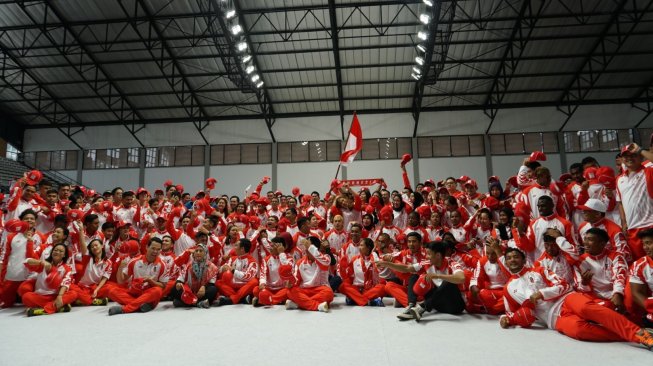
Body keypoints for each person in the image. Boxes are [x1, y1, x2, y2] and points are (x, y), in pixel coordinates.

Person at [499, 247, 653, 349]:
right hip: (553, 318)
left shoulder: (539, 270)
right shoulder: (508, 289)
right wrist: (506, 320)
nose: (512, 260)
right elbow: (510, 312)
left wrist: (543, 293)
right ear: (506, 262)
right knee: (579, 331)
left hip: (566, 299)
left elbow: (565, 285)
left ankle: (641, 335)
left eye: (516, 257)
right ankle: (634, 335)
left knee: (588, 309)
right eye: (509, 258)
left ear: (523, 259)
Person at [405, 241, 466, 322]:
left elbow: (461, 278)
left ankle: (422, 307)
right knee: (414, 276)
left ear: (438, 255)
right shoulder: (427, 263)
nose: (427, 256)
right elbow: (407, 268)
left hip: (454, 306)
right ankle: (411, 305)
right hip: (438, 303)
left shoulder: (452, 263)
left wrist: (437, 276)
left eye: (429, 254)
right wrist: (386, 263)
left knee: (447, 282)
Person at [107, 237, 168, 315]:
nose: (155, 251)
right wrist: (120, 268)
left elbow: (163, 286)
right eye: (153, 248)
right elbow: (121, 281)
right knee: (111, 292)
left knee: (158, 291)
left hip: (149, 295)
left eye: (158, 249)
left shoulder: (163, 265)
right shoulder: (134, 261)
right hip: (135, 293)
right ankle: (141, 305)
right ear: (147, 247)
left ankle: (125, 309)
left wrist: (151, 281)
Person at [616, 143, 653, 259]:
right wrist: (623, 222)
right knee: (641, 263)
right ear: (622, 159)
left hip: (650, 225)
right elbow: (620, 201)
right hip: (632, 229)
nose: (629, 158)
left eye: (633, 155)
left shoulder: (648, 172)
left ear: (640, 157)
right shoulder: (619, 179)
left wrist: (640, 149)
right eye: (626, 156)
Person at [21, 243, 77, 316]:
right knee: (26, 297)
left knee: (73, 294)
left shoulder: (67, 268)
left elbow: (65, 283)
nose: (57, 252)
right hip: (41, 295)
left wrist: (59, 296)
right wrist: (41, 262)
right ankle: (57, 307)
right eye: (55, 250)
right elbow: (26, 261)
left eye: (61, 251)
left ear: (64, 255)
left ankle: (43, 310)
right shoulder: (43, 264)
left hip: (56, 296)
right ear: (52, 252)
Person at [286, 236, 333, 312]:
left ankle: (299, 304)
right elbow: (296, 280)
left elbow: (325, 263)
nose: (305, 248)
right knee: (290, 291)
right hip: (305, 290)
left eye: (307, 245)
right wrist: (291, 283)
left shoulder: (326, 258)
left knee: (329, 293)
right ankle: (317, 306)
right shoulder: (300, 262)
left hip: (320, 289)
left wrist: (310, 247)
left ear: (315, 247)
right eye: (305, 246)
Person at [339, 238, 385, 306]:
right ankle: (368, 301)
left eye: (361, 245)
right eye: (359, 245)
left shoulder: (376, 258)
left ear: (368, 247)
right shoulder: (354, 259)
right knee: (343, 286)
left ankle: (355, 299)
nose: (359, 247)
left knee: (382, 287)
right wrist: (342, 269)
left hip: (370, 289)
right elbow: (349, 276)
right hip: (357, 289)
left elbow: (379, 272)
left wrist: (374, 257)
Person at [170, 243, 218, 308]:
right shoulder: (189, 265)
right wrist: (178, 283)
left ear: (205, 253)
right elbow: (181, 277)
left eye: (201, 251)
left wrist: (204, 287)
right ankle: (198, 303)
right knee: (174, 289)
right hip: (190, 292)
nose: (198, 253)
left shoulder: (212, 267)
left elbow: (212, 283)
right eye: (196, 251)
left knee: (213, 289)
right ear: (194, 254)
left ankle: (187, 302)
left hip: (202, 292)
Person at [214, 238, 258, 306]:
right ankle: (241, 298)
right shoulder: (232, 258)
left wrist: (233, 271)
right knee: (218, 282)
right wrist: (223, 268)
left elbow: (248, 277)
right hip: (232, 286)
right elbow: (222, 269)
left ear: (242, 249)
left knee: (254, 281)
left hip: (244, 285)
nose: (234, 248)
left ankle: (231, 299)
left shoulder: (253, 261)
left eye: (236, 246)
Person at [253, 236, 294, 307]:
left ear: (281, 247)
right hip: (269, 288)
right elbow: (263, 273)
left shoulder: (289, 259)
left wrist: (281, 253)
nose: (270, 248)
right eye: (270, 245)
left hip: (283, 288)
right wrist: (262, 283)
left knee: (290, 291)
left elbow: (286, 269)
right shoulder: (266, 259)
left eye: (273, 246)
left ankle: (267, 300)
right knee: (256, 290)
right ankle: (277, 300)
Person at [70, 238, 112, 306]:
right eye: (92, 247)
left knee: (108, 287)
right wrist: (81, 231)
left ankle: (81, 300)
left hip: (94, 288)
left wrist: (96, 290)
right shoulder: (87, 258)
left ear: (102, 246)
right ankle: (93, 301)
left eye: (96, 245)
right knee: (70, 287)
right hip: (82, 288)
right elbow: (83, 247)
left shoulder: (108, 262)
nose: (94, 247)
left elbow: (104, 279)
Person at [628, 228, 653, 327]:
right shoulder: (639, 265)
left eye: (649, 243)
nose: (645, 247)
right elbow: (636, 293)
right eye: (644, 244)